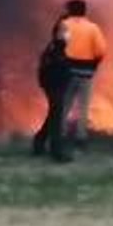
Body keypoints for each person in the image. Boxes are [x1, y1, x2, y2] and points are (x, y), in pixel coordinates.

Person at [49, 0, 107, 162]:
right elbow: (101, 50)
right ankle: (81, 138)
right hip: (86, 73)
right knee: (84, 107)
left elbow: (58, 45)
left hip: (67, 72)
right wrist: (93, 65)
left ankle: (60, 134)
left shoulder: (65, 25)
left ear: (70, 10)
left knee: (65, 104)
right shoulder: (93, 28)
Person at [31, 29, 68, 158]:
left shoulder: (59, 49)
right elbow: (47, 70)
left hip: (57, 86)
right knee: (57, 116)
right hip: (53, 86)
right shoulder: (54, 51)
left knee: (54, 114)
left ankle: (39, 141)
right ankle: (56, 151)